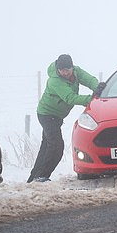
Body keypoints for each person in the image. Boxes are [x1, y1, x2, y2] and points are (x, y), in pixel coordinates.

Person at [27, 54, 104, 183]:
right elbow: (70, 98)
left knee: (46, 146)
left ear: (72, 67)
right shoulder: (55, 81)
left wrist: (97, 88)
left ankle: (33, 179)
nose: (65, 73)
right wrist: (92, 99)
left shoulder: (77, 71)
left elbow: (90, 80)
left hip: (56, 116)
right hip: (47, 115)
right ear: (57, 69)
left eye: (67, 70)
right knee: (56, 147)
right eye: (62, 70)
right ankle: (41, 177)